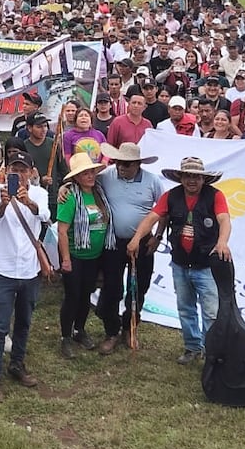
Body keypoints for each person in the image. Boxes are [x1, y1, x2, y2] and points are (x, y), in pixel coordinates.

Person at [128, 156, 231, 365]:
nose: (192, 180)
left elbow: (224, 220)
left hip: (206, 265)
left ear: (203, 179)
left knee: (211, 312)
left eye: (196, 177)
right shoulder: (171, 196)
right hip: (180, 263)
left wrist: (222, 242)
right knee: (185, 308)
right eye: (187, 176)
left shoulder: (215, 196)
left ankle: (211, 352)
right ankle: (192, 347)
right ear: (181, 177)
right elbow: (152, 218)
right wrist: (137, 238)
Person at [0, 152, 50, 402]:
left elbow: (45, 216)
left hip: (29, 270)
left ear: (32, 172)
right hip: (3, 269)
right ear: (7, 170)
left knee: (24, 321)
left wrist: (29, 202)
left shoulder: (39, 193)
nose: (19, 174)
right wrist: (3, 203)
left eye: (23, 169)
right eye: (14, 169)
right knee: (0, 326)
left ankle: (17, 364)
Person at [94, 141, 164, 354]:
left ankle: (129, 327)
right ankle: (112, 331)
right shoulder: (106, 175)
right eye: (119, 163)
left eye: (127, 164)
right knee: (112, 287)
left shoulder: (152, 181)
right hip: (113, 241)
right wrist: (63, 188)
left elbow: (163, 209)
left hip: (142, 242)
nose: (122, 167)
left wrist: (158, 236)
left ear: (137, 164)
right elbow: (83, 183)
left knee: (139, 288)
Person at [55, 153, 110, 357]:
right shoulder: (69, 196)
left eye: (91, 172)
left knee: (86, 294)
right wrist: (66, 259)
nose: (90, 176)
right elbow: (62, 230)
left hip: (94, 256)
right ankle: (65, 336)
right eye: (84, 173)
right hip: (75, 255)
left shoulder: (99, 192)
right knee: (72, 296)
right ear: (75, 177)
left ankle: (80, 329)